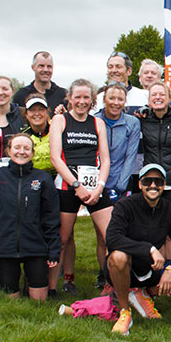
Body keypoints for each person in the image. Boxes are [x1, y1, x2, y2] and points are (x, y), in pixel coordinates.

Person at [106, 163, 171, 333]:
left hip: (151, 269)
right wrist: (149, 249)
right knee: (118, 256)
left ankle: (145, 295)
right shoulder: (125, 205)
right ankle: (124, 311)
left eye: (158, 181)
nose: (153, 185)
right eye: (148, 181)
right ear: (140, 184)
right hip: (126, 268)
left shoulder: (170, 210)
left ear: (164, 185)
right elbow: (112, 238)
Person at [0, 133, 60, 300]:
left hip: (35, 247)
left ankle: (30, 280)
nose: (21, 152)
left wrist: (53, 249)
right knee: (10, 301)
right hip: (4, 247)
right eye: (17, 147)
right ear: (8, 151)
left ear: (32, 153)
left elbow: (51, 216)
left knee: (39, 301)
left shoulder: (43, 179)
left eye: (26, 148)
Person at [49, 78, 112, 295]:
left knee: (109, 236)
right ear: (70, 98)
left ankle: (111, 283)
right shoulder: (59, 120)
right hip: (68, 185)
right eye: (78, 97)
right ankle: (61, 282)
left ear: (92, 99)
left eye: (86, 97)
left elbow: (105, 159)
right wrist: (76, 185)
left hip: (95, 185)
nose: (82, 101)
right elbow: (56, 158)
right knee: (64, 238)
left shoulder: (98, 123)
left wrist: (100, 187)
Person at [93, 81, 142, 286]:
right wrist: (99, 185)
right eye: (111, 98)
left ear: (125, 101)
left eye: (120, 99)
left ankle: (117, 275)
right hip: (97, 184)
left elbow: (131, 156)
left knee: (117, 232)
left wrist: (120, 187)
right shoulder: (94, 120)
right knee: (101, 235)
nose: (115, 102)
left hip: (121, 183)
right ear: (104, 99)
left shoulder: (132, 122)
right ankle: (104, 274)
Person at [140, 81, 171, 208]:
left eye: (162, 94)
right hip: (150, 181)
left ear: (170, 98)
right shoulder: (142, 119)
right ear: (148, 100)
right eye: (154, 94)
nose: (157, 97)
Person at [21, 94, 54, 174]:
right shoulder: (24, 137)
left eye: (41, 109)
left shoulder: (57, 131)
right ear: (26, 114)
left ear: (47, 112)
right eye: (32, 110)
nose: (37, 113)